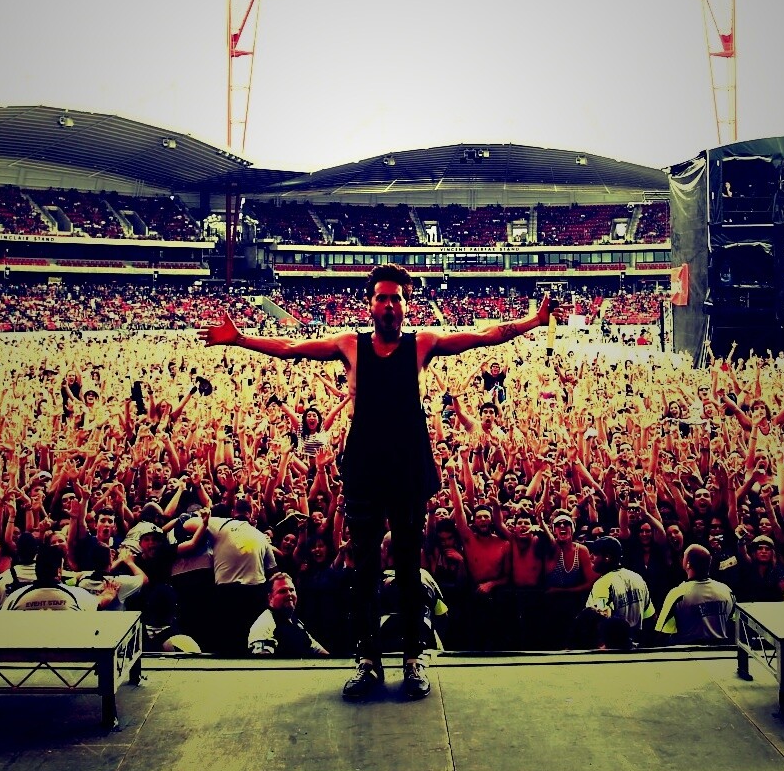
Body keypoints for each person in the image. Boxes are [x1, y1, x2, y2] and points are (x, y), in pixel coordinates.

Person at [207, 263, 554, 700]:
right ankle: (368, 661)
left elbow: (484, 336)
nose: (389, 305)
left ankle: (413, 658)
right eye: (382, 298)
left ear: (406, 305)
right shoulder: (349, 345)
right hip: (366, 468)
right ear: (370, 304)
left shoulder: (422, 343)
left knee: (409, 568)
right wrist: (239, 339)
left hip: (408, 466)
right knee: (365, 569)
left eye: (397, 298)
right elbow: (292, 347)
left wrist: (534, 321)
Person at [574, 535, 655, 651]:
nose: (590, 557)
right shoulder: (637, 578)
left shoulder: (602, 584)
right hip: (638, 648)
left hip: (614, 650)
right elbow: (650, 617)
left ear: (607, 558)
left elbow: (600, 624)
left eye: (595, 554)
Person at [655, 544, 736, 644]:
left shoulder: (678, 594)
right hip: (723, 651)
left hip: (689, 651)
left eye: (684, 556)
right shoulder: (726, 591)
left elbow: (662, 633)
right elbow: (735, 625)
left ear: (688, 564)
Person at [247, 572, 331, 657]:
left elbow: (316, 648)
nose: (289, 594)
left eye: (291, 590)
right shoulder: (265, 624)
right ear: (270, 598)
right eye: (282, 591)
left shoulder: (296, 622)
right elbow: (262, 662)